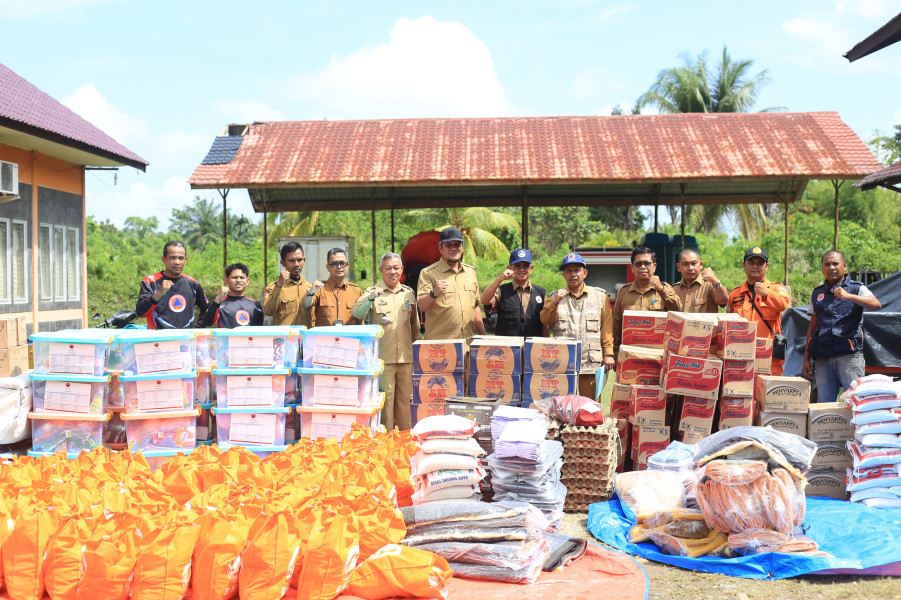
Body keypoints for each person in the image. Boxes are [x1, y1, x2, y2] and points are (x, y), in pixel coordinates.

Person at [352, 253, 421, 430]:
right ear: (381, 270)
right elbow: (357, 313)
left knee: (406, 402)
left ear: (402, 270)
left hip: (406, 358)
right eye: (388, 268)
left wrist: (417, 354)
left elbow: (415, 328)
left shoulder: (408, 293)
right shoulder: (373, 292)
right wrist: (370, 298)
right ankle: (386, 441)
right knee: (386, 402)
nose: (392, 272)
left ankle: (405, 440)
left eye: (396, 268)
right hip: (383, 359)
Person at [802, 250, 881, 402]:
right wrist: (806, 359)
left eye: (835, 263)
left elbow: (876, 304)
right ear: (822, 268)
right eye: (827, 264)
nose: (831, 267)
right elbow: (812, 328)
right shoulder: (817, 293)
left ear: (844, 266)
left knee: (856, 402)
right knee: (825, 406)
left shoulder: (857, 288)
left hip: (849, 356)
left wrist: (849, 296)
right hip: (823, 357)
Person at [540, 252, 614, 400]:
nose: (573, 274)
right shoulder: (555, 297)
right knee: (563, 408)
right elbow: (545, 320)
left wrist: (608, 354)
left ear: (585, 273)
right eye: (569, 271)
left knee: (590, 407)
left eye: (577, 270)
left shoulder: (599, 297)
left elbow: (606, 328)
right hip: (563, 365)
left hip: (590, 363)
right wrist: (555, 302)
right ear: (564, 274)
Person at [727, 247, 791, 375]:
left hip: (769, 359)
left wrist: (767, 293)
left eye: (760, 263)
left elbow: (783, 304)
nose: (755, 266)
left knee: (767, 394)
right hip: (741, 358)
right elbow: (729, 323)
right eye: (751, 263)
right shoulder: (735, 294)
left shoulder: (777, 288)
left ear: (767, 266)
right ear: (743, 265)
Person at [417, 227, 486, 339]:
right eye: (448, 245)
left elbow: (475, 306)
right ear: (440, 248)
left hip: (467, 343)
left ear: (462, 247)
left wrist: (484, 336)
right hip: (440, 346)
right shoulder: (428, 273)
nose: (453, 248)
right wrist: (434, 293)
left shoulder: (470, 272)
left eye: (457, 245)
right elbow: (422, 306)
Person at [612, 246, 681, 356]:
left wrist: (661, 290)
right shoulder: (624, 292)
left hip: (658, 355)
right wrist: (615, 354)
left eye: (647, 263)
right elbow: (616, 326)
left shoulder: (665, 288)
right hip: (630, 354)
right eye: (638, 264)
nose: (643, 267)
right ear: (632, 268)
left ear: (654, 266)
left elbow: (678, 311)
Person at [136, 241, 209, 329]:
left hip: (186, 340)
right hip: (158, 340)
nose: (177, 262)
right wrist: (158, 294)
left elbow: (207, 310)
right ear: (163, 259)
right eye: (172, 258)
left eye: (181, 258)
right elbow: (140, 312)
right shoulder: (150, 281)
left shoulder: (193, 283)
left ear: (185, 260)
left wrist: (196, 329)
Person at [480, 248, 549, 337]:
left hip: (532, 347)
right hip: (508, 347)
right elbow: (484, 301)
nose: (522, 269)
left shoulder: (540, 293)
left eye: (525, 265)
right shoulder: (501, 291)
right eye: (517, 266)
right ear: (509, 268)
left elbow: (545, 324)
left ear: (531, 268)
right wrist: (500, 279)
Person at [302, 248, 363, 326]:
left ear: (347, 265)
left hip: (349, 337)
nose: (339, 267)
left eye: (342, 263)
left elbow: (360, 320)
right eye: (334, 264)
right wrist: (311, 292)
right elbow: (305, 305)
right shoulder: (319, 289)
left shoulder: (356, 291)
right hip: (325, 337)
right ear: (328, 267)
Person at [262, 242, 313, 327]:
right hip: (285, 338)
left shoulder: (310, 288)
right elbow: (268, 311)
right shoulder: (274, 287)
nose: (296, 264)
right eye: (291, 260)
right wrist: (279, 285)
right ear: (283, 263)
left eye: (299, 260)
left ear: (304, 260)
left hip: (306, 337)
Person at [198, 262, 264, 328]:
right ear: (226, 280)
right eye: (234, 277)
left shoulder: (255, 306)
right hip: (226, 338)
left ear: (247, 281)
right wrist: (218, 299)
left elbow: (259, 330)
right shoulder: (219, 303)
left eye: (242, 277)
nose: (238, 280)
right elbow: (208, 322)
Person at [673, 249, 728, 313]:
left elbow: (724, 301)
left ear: (701, 265)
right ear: (678, 267)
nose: (690, 268)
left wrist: (716, 282)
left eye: (694, 263)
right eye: (685, 264)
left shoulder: (710, 285)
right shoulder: (674, 290)